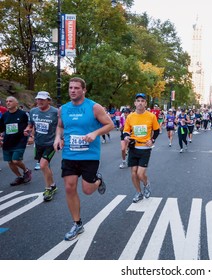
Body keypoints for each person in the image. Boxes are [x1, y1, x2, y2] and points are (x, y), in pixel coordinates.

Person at [53, 77, 114, 241]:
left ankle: (98, 181)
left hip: (89, 155)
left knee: (87, 190)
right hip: (69, 154)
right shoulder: (63, 109)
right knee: (69, 188)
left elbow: (110, 125)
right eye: (70, 88)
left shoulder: (94, 107)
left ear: (83, 90)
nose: (72, 90)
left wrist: (94, 133)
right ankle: (77, 223)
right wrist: (57, 138)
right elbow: (60, 125)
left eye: (76, 88)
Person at [123, 93, 160, 203]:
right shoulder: (130, 117)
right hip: (133, 147)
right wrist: (126, 137)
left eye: (142, 101)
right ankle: (138, 192)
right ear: (135, 103)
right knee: (133, 173)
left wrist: (152, 140)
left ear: (145, 103)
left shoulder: (151, 116)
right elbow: (126, 131)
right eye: (138, 100)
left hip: (145, 148)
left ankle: (146, 184)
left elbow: (157, 130)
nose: (140, 102)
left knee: (140, 173)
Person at [24, 91, 58, 201]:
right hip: (38, 143)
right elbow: (31, 125)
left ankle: (48, 189)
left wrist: (60, 139)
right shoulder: (33, 111)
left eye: (42, 99)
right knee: (46, 166)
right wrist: (29, 132)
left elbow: (61, 126)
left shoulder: (55, 112)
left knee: (43, 165)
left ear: (49, 101)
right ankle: (53, 184)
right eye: (38, 99)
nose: (39, 101)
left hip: (51, 143)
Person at [0, 96, 32, 186]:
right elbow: (1, 128)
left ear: (16, 103)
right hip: (7, 142)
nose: (8, 103)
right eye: (6, 101)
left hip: (19, 141)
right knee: (10, 162)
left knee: (15, 160)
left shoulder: (22, 114)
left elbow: (29, 125)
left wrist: (30, 136)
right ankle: (19, 177)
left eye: (10, 101)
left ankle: (26, 171)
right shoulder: (5, 115)